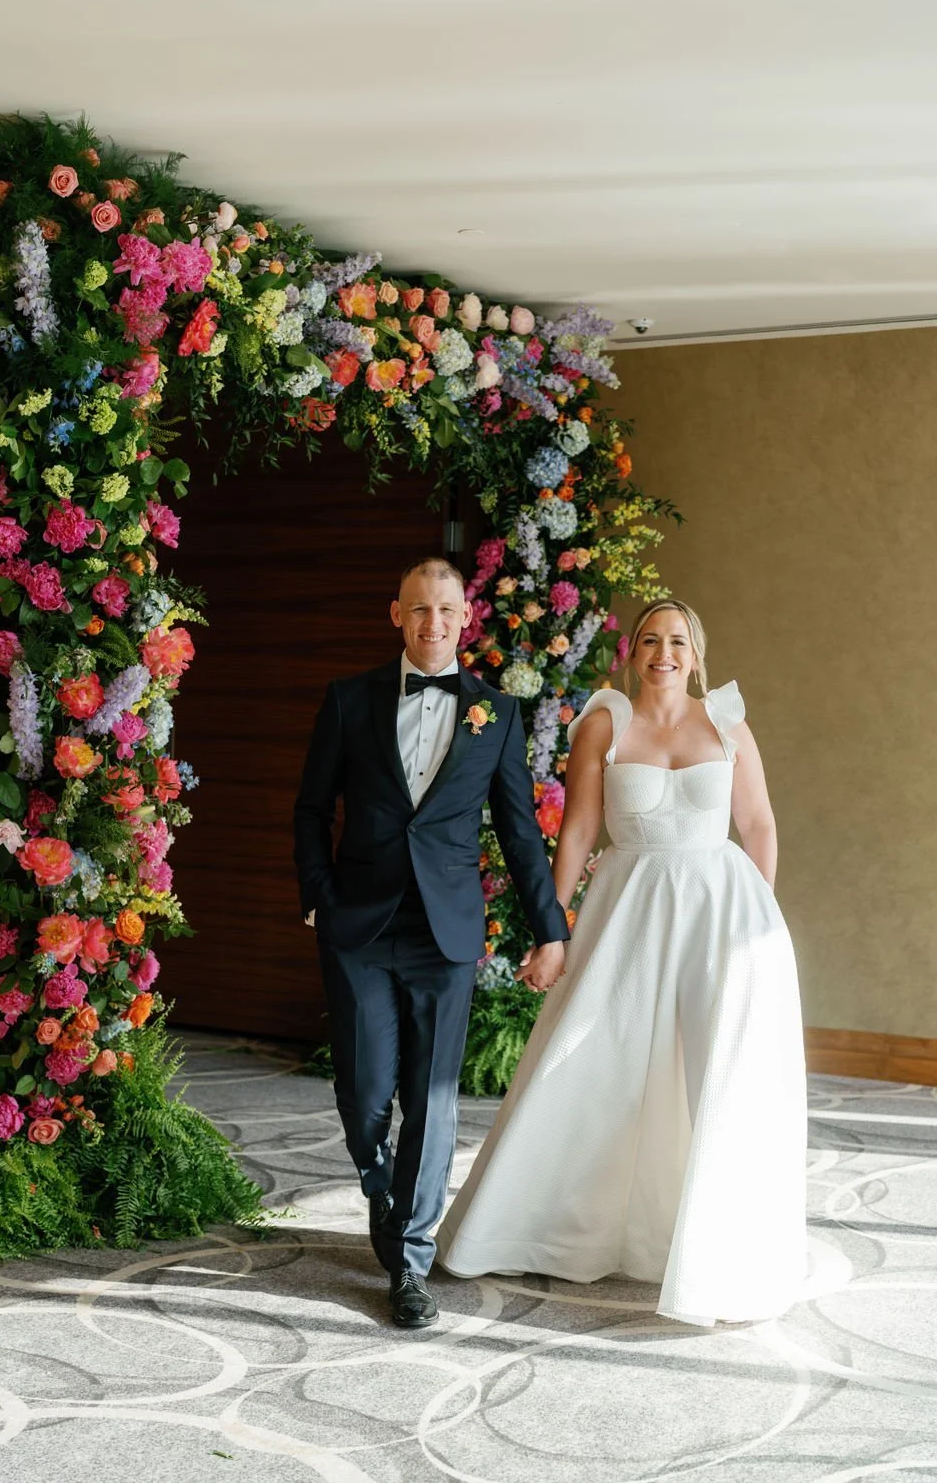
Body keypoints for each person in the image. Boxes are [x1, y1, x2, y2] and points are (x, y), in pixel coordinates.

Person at [435, 599, 808, 1325]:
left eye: (677, 642)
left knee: (714, 1071)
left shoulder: (728, 725)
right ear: (630, 652)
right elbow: (576, 830)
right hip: (627, 909)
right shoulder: (605, 723)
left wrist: (757, 918)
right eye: (649, 640)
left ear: (696, 655)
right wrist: (552, 928)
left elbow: (758, 824)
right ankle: (540, 1224)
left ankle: (713, 1247)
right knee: (592, 1056)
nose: (663, 652)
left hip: (721, 918)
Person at [293, 557, 568, 1328]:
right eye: (419, 609)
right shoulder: (350, 701)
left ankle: (409, 1264)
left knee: (434, 1100)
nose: (433, 622)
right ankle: (382, 1187)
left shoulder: (498, 713)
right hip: (358, 926)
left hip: (444, 933)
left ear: (465, 617)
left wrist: (551, 929)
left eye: (446, 609)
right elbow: (312, 808)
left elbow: (519, 833)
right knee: (363, 1089)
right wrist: (320, 898)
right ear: (396, 615)